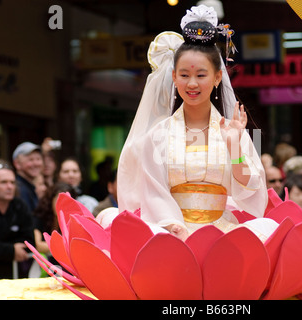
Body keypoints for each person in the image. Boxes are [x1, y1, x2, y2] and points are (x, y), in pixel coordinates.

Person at [117, 5, 278, 241]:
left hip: (222, 234)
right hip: (172, 233)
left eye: (201, 75)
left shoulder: (234, 131)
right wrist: (174, 226)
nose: (192, 84)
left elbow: (251, 190)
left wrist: (234, 148)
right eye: (184, 75)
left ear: (217, 77)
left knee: (269, 227)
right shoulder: (158, 135)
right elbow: (154, 192)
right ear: (174, 77)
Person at [0, 159, 34, 279]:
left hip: (17, 277)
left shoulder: (20, 206)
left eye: (12, 182)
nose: (10, 186)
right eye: (3, 182)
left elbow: (30, 241)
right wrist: (11, 250)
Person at [33, 182, 76, 258]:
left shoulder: (73, 221)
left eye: (67, 202)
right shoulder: (39, 218)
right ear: (51, 200)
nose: (62, 205)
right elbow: (38, 245)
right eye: (59, 200)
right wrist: (65, 247)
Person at [12, 141, 44, 214]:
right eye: (31, 160)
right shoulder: (19, 189)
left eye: (38, 159)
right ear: (17, 164)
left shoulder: (30, 188)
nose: (36, 163)